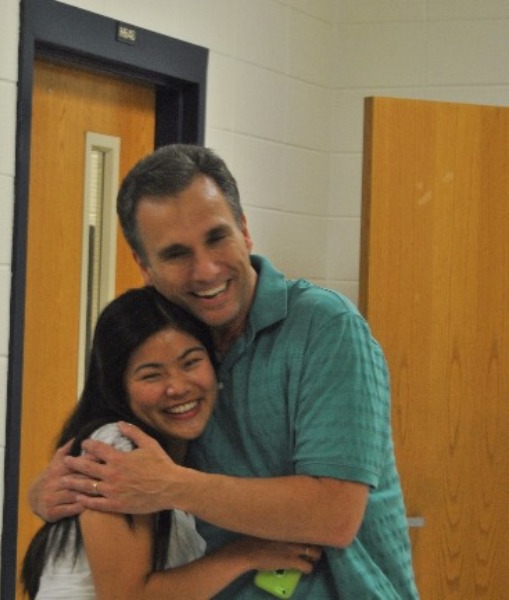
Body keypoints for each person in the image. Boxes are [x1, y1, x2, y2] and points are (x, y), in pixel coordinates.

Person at [29, 145, 419, 599]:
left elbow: (334, 515)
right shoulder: (165, 340)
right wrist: (53, 494)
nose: (206, 269)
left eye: (217, 238)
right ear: (144, 266)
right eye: (175, 254)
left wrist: (171, 487)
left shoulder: (325, 328)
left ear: (245, 230)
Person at [22, 286, 321, 599]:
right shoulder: (115, 448)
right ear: (117, 386)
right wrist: (246, 554)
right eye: (151, 375)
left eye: (191, 363)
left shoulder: (187, 453)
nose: (177, 388)